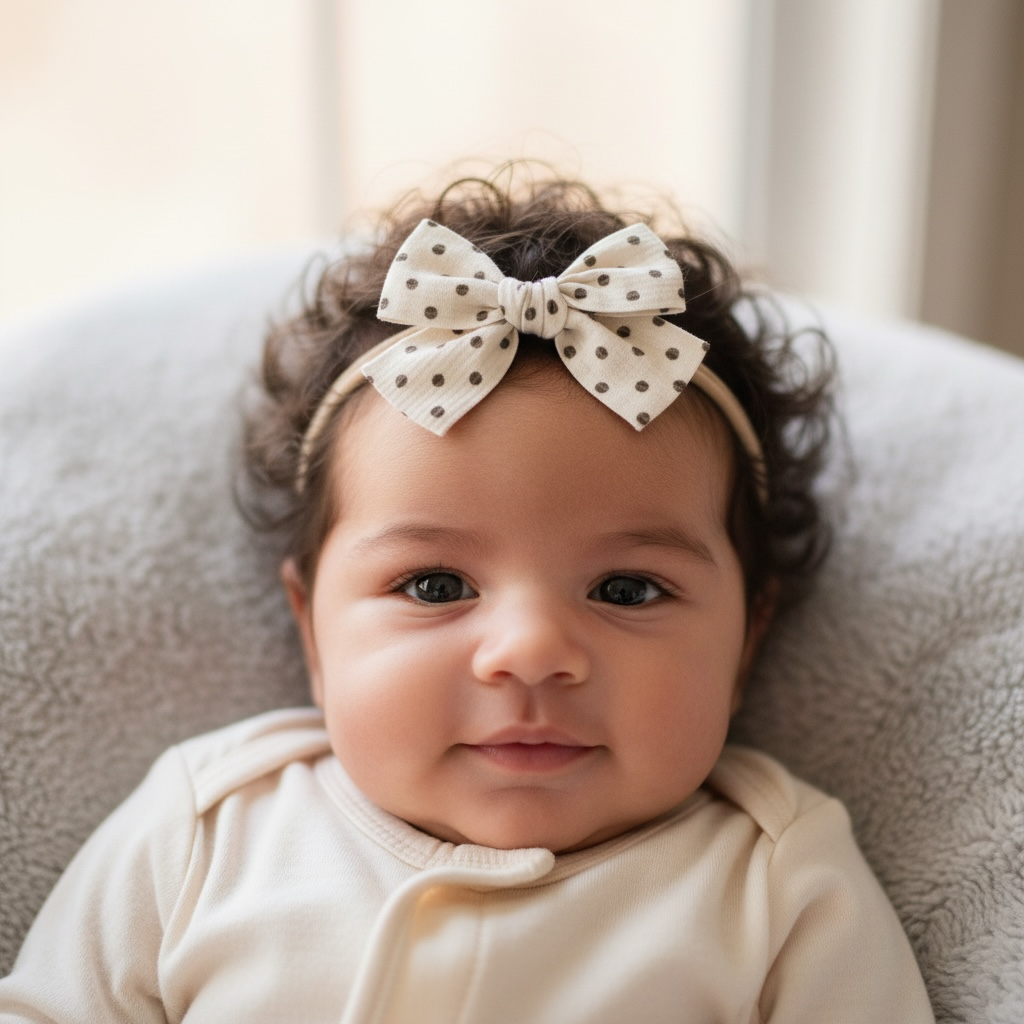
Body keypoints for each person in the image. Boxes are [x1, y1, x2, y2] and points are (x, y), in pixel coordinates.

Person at [0, 170, 935, 1022]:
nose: (529, 650)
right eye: (436, 584)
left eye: (628, 588)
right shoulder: (209, 828)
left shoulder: (775, 884)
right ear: (313, 634)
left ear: (747, 639)